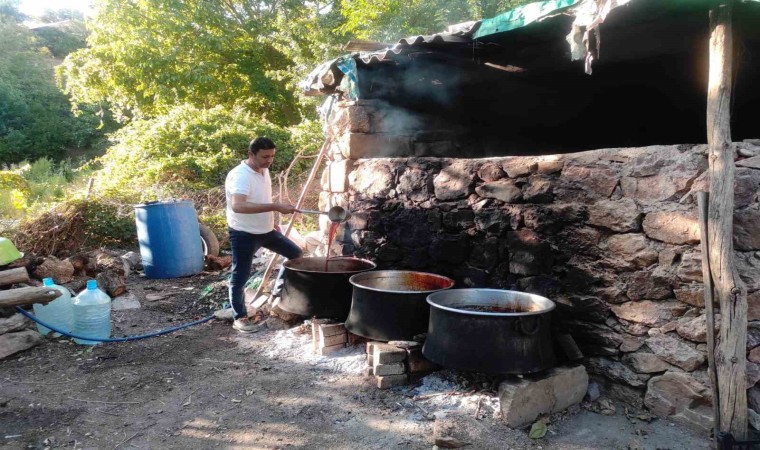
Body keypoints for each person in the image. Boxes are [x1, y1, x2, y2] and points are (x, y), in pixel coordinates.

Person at [225, 137, 303, 332]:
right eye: (265, 157)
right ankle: (240, 317)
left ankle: (278, 293)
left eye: (272, 156)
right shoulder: (241, 176)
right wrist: (276, 206)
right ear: (251, 154)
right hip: (243, 233)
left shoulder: (264, 170)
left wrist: (273, 222)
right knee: (240, 276)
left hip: (266, 231)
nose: (269, 161)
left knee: (296, 254)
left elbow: (260, 198)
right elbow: (238, 205)